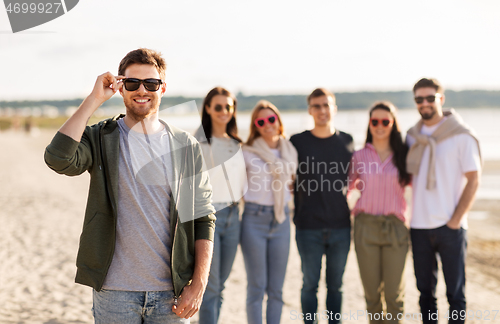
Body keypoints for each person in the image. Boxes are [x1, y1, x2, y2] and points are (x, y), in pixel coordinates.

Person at [44, 48, 216, 324]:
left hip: (170, 292)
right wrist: (93, 99)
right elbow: (57, 158)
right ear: (121, 87)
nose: (142, 90)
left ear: (163, 88)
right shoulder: (101, 137)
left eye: (151, 83)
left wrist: (198, 284)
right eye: (133, 83)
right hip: (114, 291)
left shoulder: (185, 145)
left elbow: (203, 217)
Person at [406, 78, 481, 324]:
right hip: (419, 226)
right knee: (425, 294)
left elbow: (473, 179)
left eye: (430, 98)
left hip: (451, 226)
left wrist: (456, 220)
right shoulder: (412, 137)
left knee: (455, 294)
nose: (425, 103)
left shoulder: (461, 135)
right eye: (419, 99)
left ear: (441, 99)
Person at [290, 88, 354, 324]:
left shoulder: (347, 140)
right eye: (316, 106)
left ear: (334, 108)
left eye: (326, 105)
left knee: (336, 286)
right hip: (308, 227)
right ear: (310, 110)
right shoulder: (297, 142)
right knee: (309, 285)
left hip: (340, 226)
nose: (322, 110)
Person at [348, 102, 411, 324]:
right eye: (375, 121)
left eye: (386, 121)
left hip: (395, 229)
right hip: (366, 228)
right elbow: (346, 188)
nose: (380, 126)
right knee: (372, 296)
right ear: (369, 124)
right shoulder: (359, 156)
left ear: (393, 124)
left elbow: (423, 185)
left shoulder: (404, 155)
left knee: (394, 295)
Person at [241, 100, 298, 324]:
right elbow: (237, 188)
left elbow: (292, 184)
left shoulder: (290, 150)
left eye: (271, 119)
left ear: (278, 121)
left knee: (277, 289)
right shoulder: (247, 151)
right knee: (257, 287)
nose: (268, 124)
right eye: (261, 121)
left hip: (282, 220)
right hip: (254, 221)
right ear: (256, 125)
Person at [193, 87, 247, 324]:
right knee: (210, 286)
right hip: (209, 216)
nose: (224, 111)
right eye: (218, 107)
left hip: (234, 217)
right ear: (207, 108)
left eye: (228, 107)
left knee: (221, 285)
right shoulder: (198, 143)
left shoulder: (237, 144)